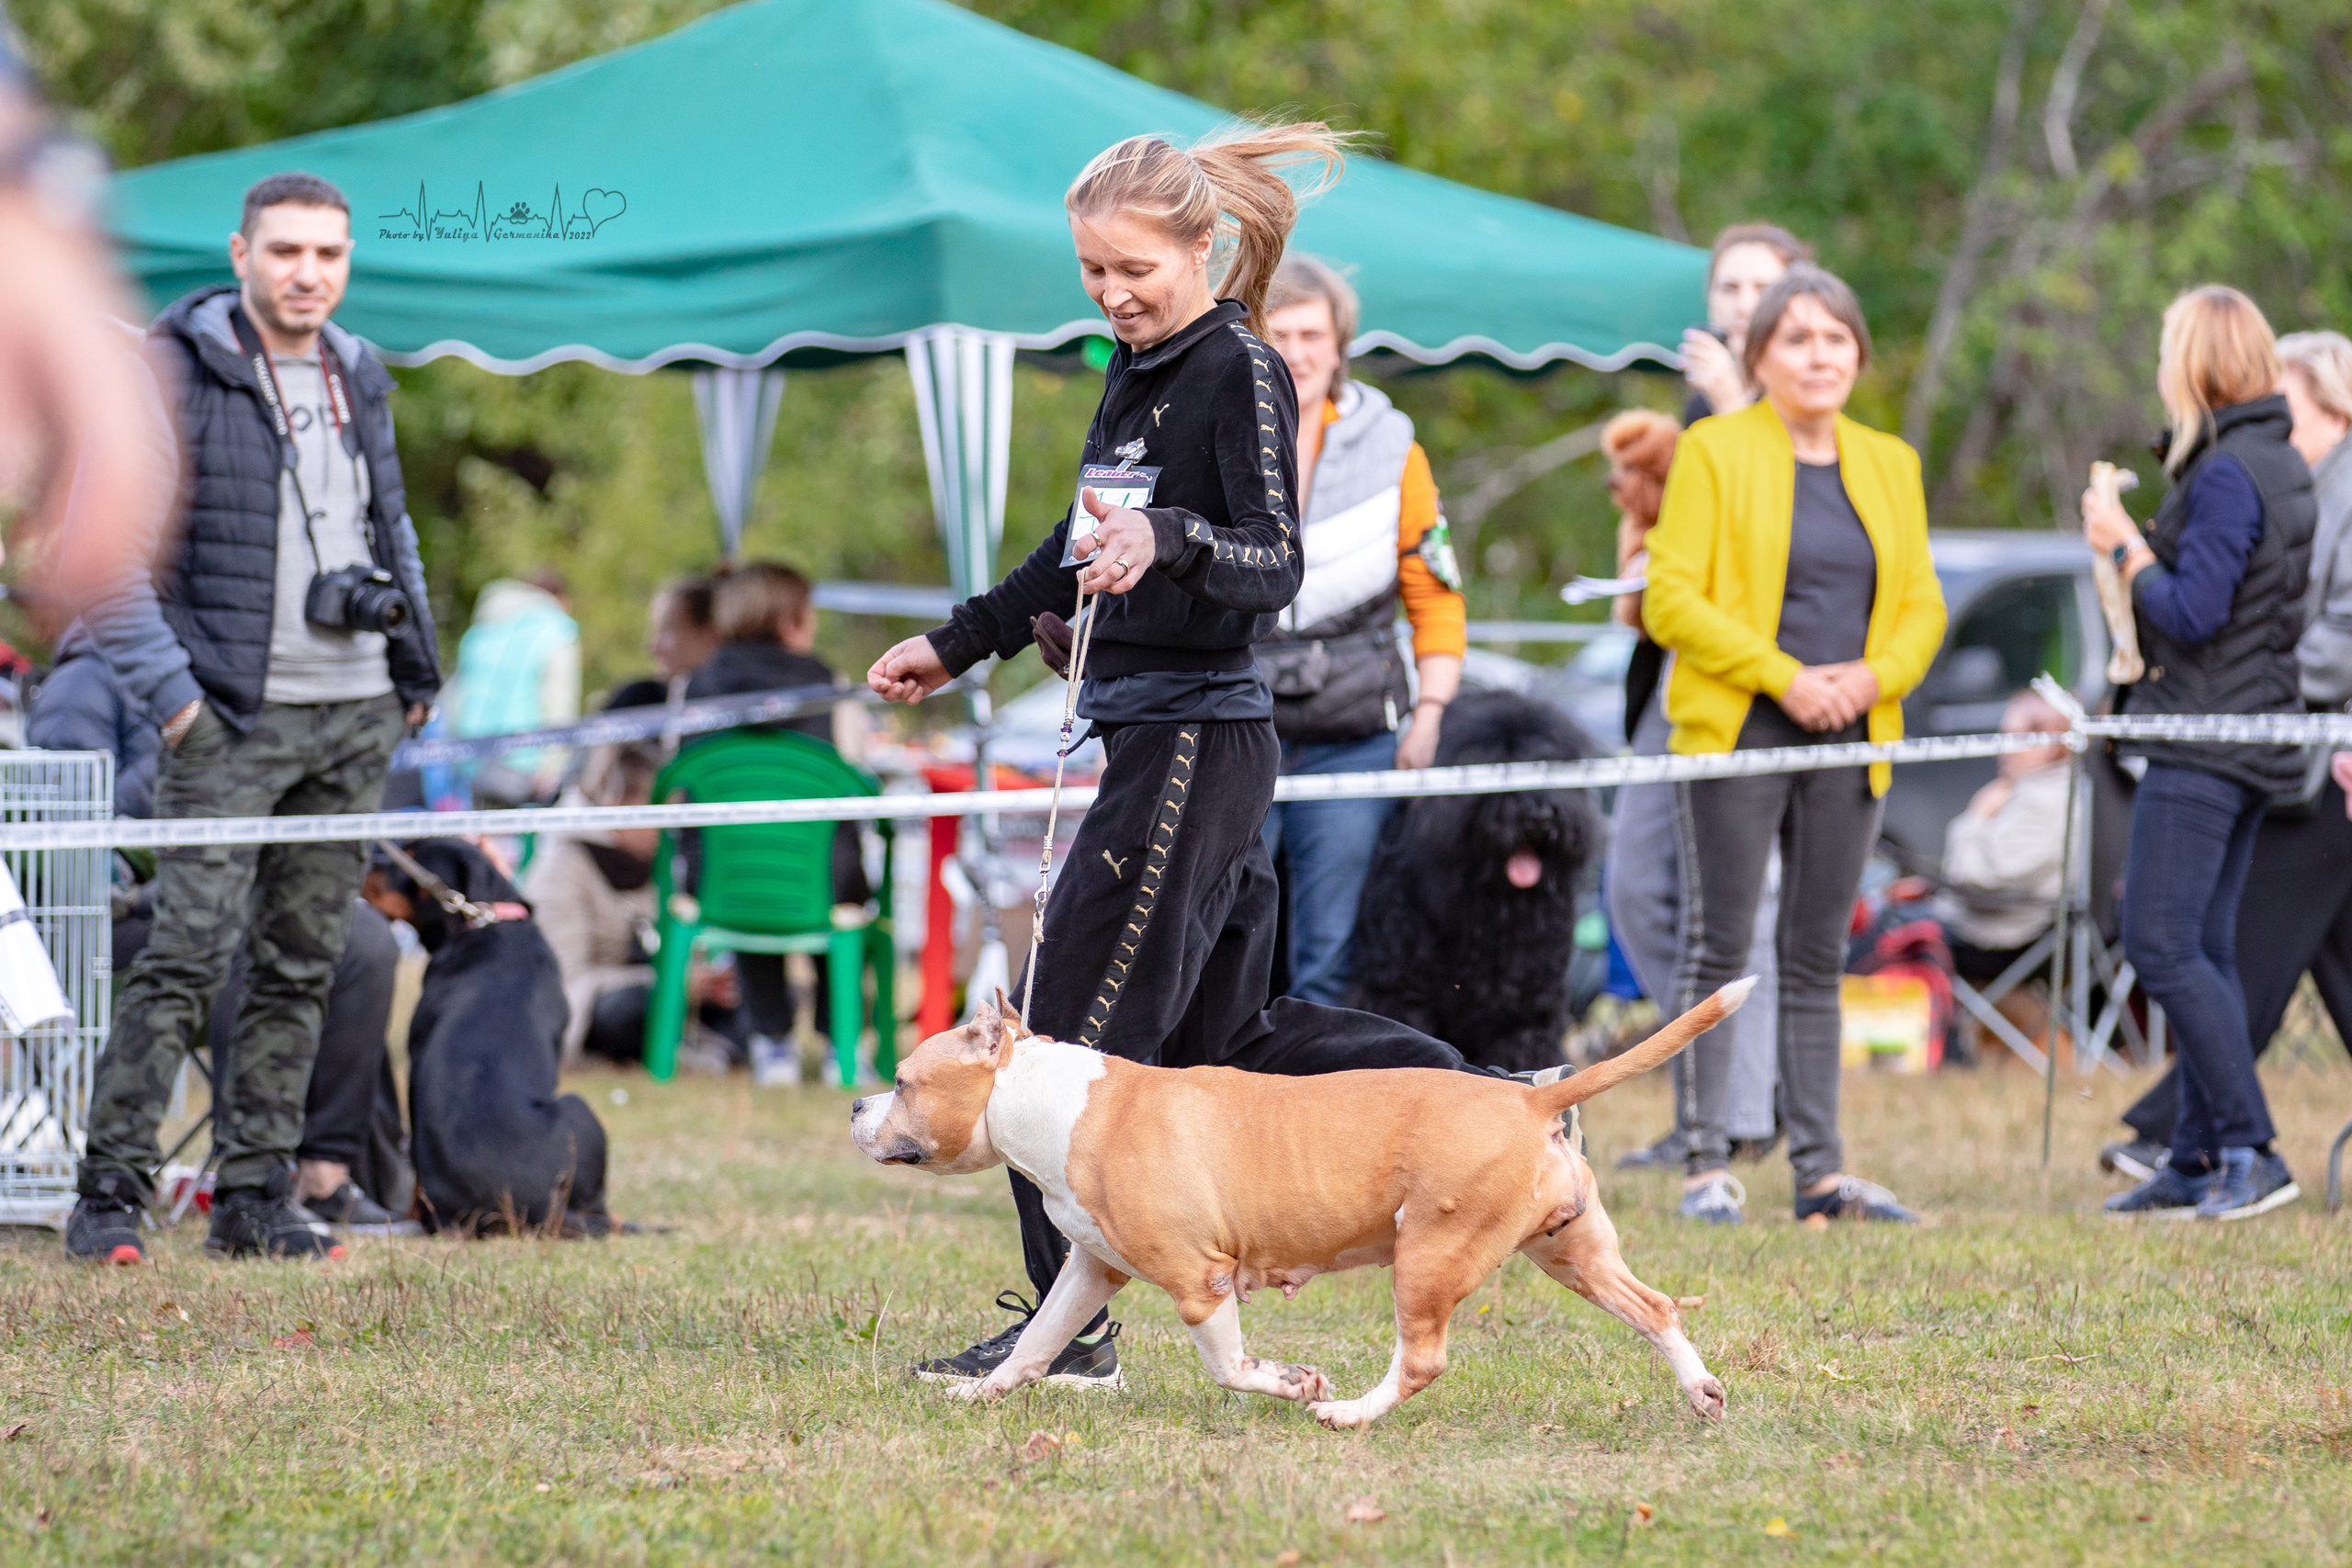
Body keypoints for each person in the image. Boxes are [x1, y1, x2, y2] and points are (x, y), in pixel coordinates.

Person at [868, 121, 1540, 1393]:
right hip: (1164, 739)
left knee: (1051, 1046)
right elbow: (1074, 546)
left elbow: (1268, 563)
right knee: (1240, 1033)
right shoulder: (1131, 366)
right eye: (1089, 272)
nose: (1113, 295)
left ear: (1201, 246)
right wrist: (957, 642)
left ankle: (1069, 1344)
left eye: (1134, 269)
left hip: (1192, 744)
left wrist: (1170, 537)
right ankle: (1495, 1102)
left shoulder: (1240, 365)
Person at [62, 171, 440, 1265]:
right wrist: (177, 705)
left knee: (301, 964)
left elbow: (394, 527)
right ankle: (109, 1199)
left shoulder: (359, 368)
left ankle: (256, 1200)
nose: (308, 273)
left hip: (354, 715)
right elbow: (103, 556)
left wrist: (415, 667)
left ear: (348, 261)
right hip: (225, 714)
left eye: (329, 254)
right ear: (240, 255)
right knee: (182, 958)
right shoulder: (165, 371)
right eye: (286, 252)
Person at [1643, 265, 1947, 1225]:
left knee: (1818, 954)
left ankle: (1819, 1174)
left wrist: (1866, 679)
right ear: (1758, 356)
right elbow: (1669, 597)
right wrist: (1784, 676)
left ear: (1858, 353)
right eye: (1797, 339)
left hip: (1853, 736)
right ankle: (1703, 1165)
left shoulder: (1889, 460)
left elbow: (1920, 604)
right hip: (1739, 729)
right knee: (1718, 944)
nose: (1819, 356)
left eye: (1835, 338)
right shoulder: (1714, 450)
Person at [2096, 314, 2335, 1201]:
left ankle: (2251, 1146)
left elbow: (2194, 613)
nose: (2162, 368)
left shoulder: (2231, 470)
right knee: (2206, 943)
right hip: (2247, 729)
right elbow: (2234, 599)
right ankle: (2196, 1153)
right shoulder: (2278, 461)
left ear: (2195, 364)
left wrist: (2124, 545)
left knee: (2159, 941)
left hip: (2205, 737)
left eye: (2168, 352)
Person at [1611, 224, 1811, 1173]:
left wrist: (1738, 411)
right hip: (1676, 673)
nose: (1735, 303)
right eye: (1724, 286)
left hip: (1771, 683)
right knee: (1638, 887)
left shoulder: (1799, 414)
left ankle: (1742, 1112)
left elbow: (1784, 555)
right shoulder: (1700, 404)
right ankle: (1719, 1090)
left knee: (1746, 903)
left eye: (1756, 286)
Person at [1254, 254, 1465, 1003]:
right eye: (1278, 333)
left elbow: (1436, 596)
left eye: (1313, 333)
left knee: (1329, 954)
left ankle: (1325, 1114)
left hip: (1355, 734)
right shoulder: (1214, 433)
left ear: (1340, 345)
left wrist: (1429, 713)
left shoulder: (1394, 449)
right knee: (1229, 941)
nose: (1298, 351)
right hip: (1240, 730)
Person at [684, 561, 868, 1085]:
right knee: (840, 875)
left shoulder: (700, 684)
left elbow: (683, 777)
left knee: (748, 876)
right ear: (790, 619)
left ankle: (772, 1041)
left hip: (724, 877)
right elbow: (854, 770)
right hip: (822, 879)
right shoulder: (824, 681)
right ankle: (841, 1043)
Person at [526, 736, 742, 1068]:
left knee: (744, 993)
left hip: (649, 991)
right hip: (589, 1007)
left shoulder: (658, 865)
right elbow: (563, 985)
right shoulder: (562, 866)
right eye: (658, 810)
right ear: (618, 804)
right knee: (627, 1010)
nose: (667, 826)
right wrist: (675, 982)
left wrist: (703, 977)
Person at [449, 570, 581, 801]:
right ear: (560, 598)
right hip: (523, 763)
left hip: (470, 760)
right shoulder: (556, 629)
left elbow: (458, 696)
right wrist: (553, 763)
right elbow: (558, 701)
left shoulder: (481, 629)